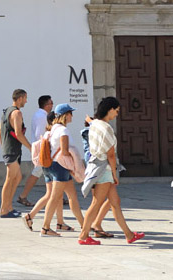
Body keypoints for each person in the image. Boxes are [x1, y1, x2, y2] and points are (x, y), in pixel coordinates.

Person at [77, 97, 144, 245]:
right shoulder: (106, 128)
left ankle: (129, 234)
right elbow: (111, 155)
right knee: (96, 203)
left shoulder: (95, 124)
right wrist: (115, 174)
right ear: (110, 109)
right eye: (117, 111)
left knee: (115, 202)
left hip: (97, 166)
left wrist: (89, 119)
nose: (117, 114)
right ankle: (83, 236)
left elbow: (91, 121)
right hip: (104, 169)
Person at [22, 104, 84, 237]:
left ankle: (84, 225)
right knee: (55, 197)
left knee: (70, 196)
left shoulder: (52, 129)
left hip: (50, 165)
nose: (72, 116)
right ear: (65, 115)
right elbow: (65, 151)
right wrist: (75, 160)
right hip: (60, 167)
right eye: (70, 113)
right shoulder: (63, 131)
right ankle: (45, 228)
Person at [0, 88, 32, 218]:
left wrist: (3, 147)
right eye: (25, 98)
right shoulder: (17, 113)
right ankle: (4, 209)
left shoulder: (6, 111)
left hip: (10, 149)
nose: (26, 101)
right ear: (19, 98)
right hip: (12, 149)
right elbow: (18, 133)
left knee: (17, 177)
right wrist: (30, 147)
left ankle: (9, 206)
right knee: (9, 179)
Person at [16, 94, 52, 207]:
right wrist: (44, 149)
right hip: (43, 150)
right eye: (51, 103)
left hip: (42, 150)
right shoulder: (42, 117)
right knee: (37, 173)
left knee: (51, 174)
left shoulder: (40, 115)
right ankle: (23, 196)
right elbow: (40, 134)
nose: (52, 105)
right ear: (46, 105)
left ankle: (57, 196)